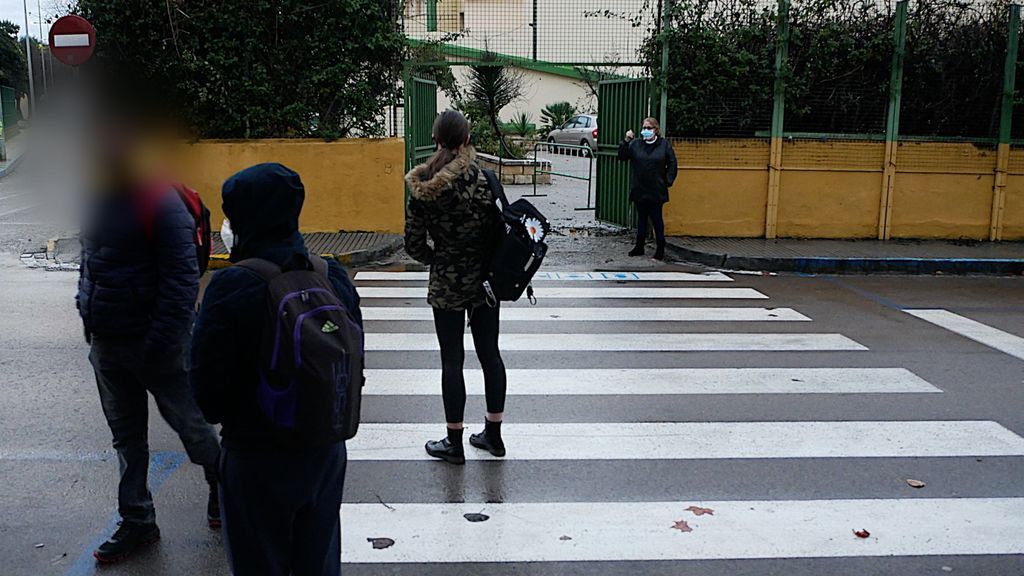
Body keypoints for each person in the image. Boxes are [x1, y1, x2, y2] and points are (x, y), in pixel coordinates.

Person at [189, 163, 361, 576]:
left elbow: (208, 398)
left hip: (257, 458)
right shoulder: (332, 275)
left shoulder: (232, 287)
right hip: (325, 452)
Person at [78, 122, 221, 563]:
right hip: (108, 342)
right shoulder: (99, 201)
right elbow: (90, 263)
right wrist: (85, 309)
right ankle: (138, 520)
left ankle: (226, 490)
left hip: (157, 345)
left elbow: (182, 281)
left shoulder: (161, 203)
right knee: (127, 440)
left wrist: (161, 342)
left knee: (193, 429)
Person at [405, 110, 508, 465]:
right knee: (490, 354)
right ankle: (493, 436)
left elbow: (414, 244)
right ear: (466, 140)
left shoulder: (423, 185)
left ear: (436, 139)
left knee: (452, 360)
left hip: (447, 280)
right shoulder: (485, 179)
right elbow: (501, 230)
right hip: (485, 281)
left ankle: (454, 442)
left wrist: (438, 258)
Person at [618, 117, 678, 260]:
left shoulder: (664, 145)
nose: (645, 131)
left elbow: (672, 164)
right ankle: (639, 246)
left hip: (656, 189)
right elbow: (622, 156)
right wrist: (626, 141)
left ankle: (660, 248)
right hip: (640, 187)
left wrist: (667, 182)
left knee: (657, 219)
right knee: (641, 219)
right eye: (644, 128)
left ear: (656, 130)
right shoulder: (636, 144)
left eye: (649, 128)